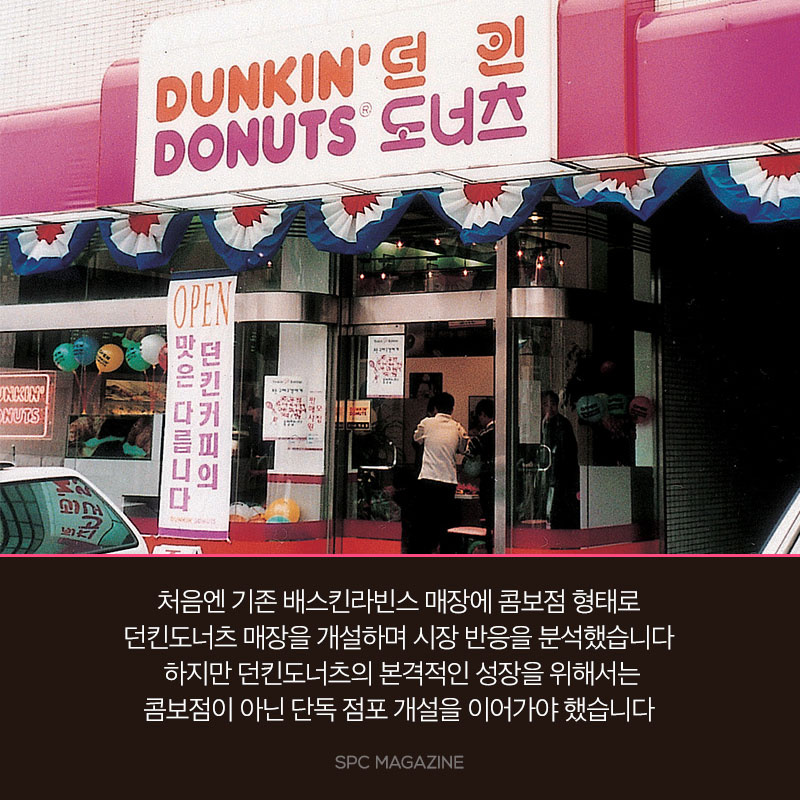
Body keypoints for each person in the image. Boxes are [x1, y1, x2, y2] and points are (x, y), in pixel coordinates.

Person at [412, 392, 468, 553]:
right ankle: (445, 553)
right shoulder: (457, 427)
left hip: (428, 479)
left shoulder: (426, 423)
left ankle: (424, 553)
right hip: (448, 481)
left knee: (426, 522)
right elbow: (463, 448)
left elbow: (417, 439)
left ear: (435, 408)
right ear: (452, 409)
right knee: (446, 523)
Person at [541, 390, 580, 529]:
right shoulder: (541, 424)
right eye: (546, 404)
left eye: (552, 404)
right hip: (547, 472)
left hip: (562, 474)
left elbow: (569, 451)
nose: (549, 408)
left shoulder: (563, 424)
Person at [467, 398, 495, 553]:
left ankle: (490, 547)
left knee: (489, 516)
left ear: (483, 415)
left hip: (488, 478)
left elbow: (470, 451)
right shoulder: (505, 431)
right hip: (503, 479)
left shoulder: (485, 435)